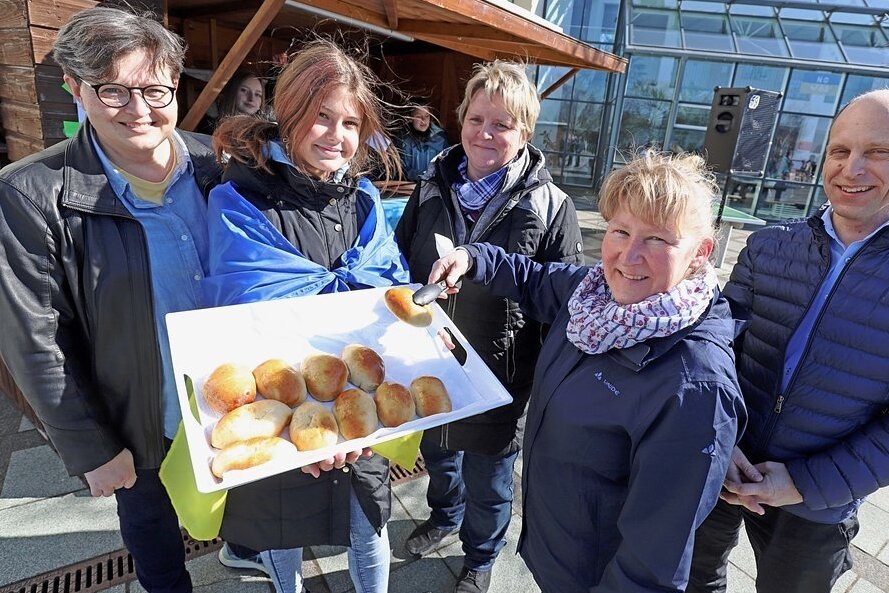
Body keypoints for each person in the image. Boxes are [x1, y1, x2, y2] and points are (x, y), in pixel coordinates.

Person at [425, 150, 746, 593]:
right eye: (620, 230)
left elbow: (652, 561)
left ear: (699, 254)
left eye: (658, 240)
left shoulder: (694, 385)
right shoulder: (593, 295)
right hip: (555, 548)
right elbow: (532, 278)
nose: (628, 256)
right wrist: (473, 257)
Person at [0, 7, 221, 592]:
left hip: (229, 399)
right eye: (114, 91)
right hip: (137, 420)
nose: (141, 109)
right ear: (76, 89)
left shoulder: (215, 164)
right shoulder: (32, 193)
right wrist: (92, 448)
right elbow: (35, 337)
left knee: (235, 505)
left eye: (155, 89)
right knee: (151, 528)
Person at [204, 39, 407, 593]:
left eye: (349, 122)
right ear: (289, 110)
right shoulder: (243, 197)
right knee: (281, 527)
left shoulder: (364, 200)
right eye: (321, 117)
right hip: (279, 396)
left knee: (368, 521)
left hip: (351, 394)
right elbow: (239, 304)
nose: (335, 136)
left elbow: (386, 288)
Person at [687, 89, 889, 593]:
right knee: (694, 578)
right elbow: (715, 348)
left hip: (820, 500)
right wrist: (720, 434)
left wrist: (801, 483)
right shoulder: (770, 244)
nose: (851, 168)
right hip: (722, 462)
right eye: (840, 151)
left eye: (878, 153)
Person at [395, 60, 584, 593]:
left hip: (501, 373)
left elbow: (561, 300)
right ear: (461, 120)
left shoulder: (550, 206)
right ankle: (444, 517)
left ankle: (481, 554)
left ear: (525, 132)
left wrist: (547, 389)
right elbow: (401, 257)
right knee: (438, 454)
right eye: (477, 119)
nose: (485, 133)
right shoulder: (432, 185)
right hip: (430, 358)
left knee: (491, 477)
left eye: (502, 124)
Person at [394, 103, 449, 181]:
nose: (424, 120)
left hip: (435, 185)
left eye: (427, 116)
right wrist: (422, 176)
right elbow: (401, 169)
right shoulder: (403, 140)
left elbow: (446, 165)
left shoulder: (440, 138)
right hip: (410, 186)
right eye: (418, 116)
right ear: (410, 118)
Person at [197, 71, 265, 133]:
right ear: (232, 91)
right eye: (244, 90)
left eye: (257, 94)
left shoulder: (265, 130)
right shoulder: (210, 125)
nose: (251, 99)